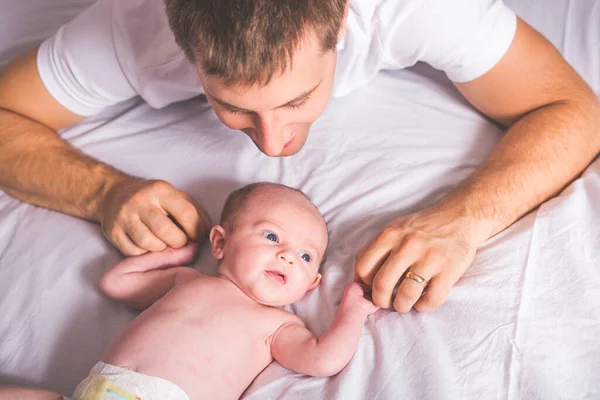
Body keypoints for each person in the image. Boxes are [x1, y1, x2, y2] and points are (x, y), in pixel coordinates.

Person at [0, 0, 599, 314]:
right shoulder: (131, 27)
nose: (273, 144)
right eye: (231, 107)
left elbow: (574, 109)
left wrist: (464, 220)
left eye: (298, 98)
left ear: (341, 15)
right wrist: (100, 191)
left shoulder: (417, 7)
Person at [62, 182, 375, 399]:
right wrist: (177, 255)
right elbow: (115, 283)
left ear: (311, 285)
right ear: (220, 243)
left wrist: (354, 309)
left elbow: (323, 360)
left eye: (305, 256)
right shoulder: (186, 280)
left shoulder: (278, 326)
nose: (288, 256)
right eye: (271, 236)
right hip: (97, 388)